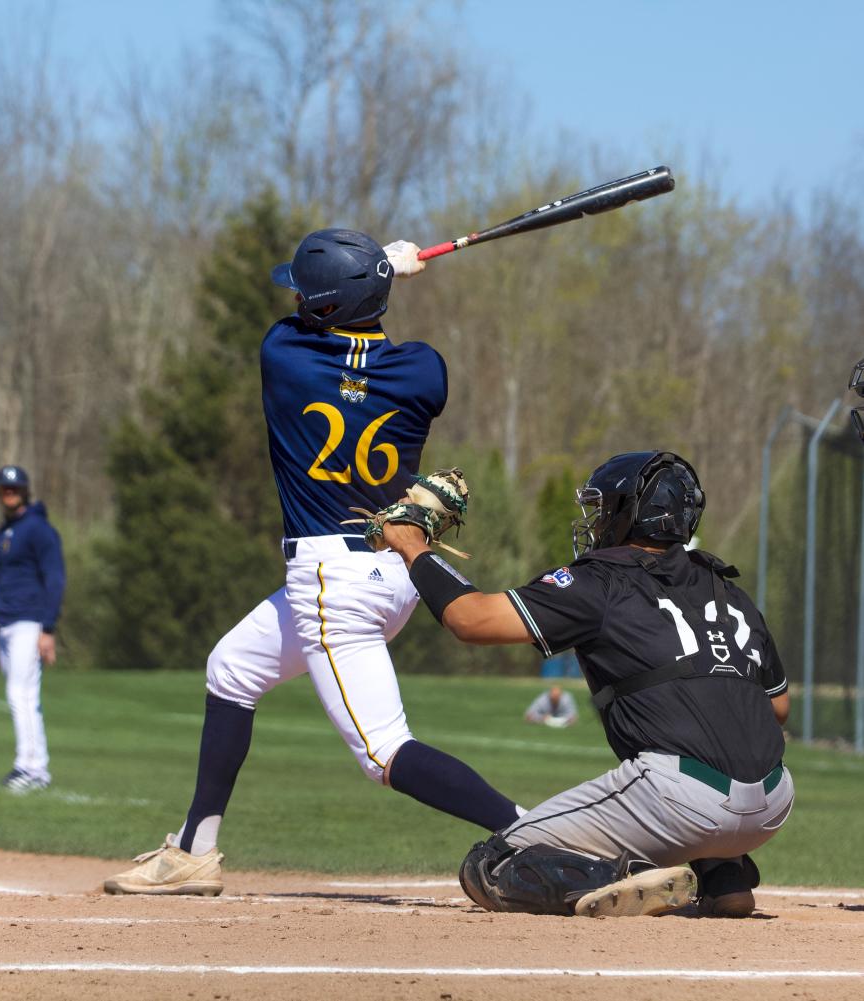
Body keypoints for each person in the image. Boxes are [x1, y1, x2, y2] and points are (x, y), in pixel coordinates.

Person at [104, 230, 521, 896]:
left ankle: (532, 831)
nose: (295, 298)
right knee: (232, 667)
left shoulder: (283, 356)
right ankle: (192, 849)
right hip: (396, 571)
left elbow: (309, 333)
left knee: (384, 752)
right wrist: (388, 276)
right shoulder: (423, 370)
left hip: (332, 579)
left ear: (326, 308)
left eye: (305, 291)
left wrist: (388, 270)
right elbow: (373, 352)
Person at [379, 451, 793, 918]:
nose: (597, 521)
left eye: (604, 507)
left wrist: (414, 547)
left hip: (681, 801)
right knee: (703, 745)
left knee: (492, 863)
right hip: (773, 802)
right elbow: (778, 709)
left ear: (629, 513)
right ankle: (726, 874)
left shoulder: (600, 580)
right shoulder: (728, 589)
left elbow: (469, 619)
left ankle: (632, 874)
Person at [0, 465, 65, 792]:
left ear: (25, 491)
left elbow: (55, 579)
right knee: (21, 695)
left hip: (30, 621)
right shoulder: (4, 532)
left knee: (22, 694)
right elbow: (2, 584)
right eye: (3, 488)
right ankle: (30, 766)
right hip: (5, 624)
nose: (8, 493)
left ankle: (32, 768)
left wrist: (48, 628)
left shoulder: (39, 530)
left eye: (13, 488)